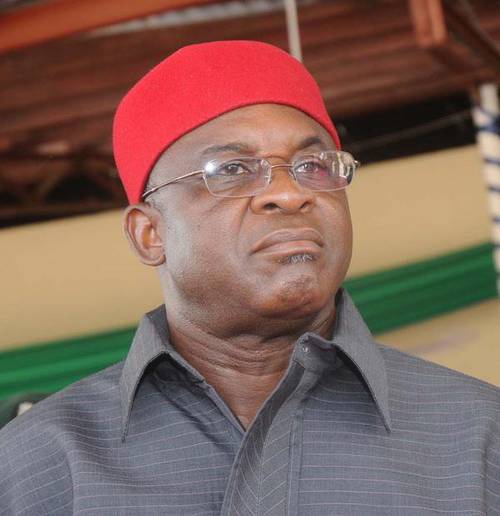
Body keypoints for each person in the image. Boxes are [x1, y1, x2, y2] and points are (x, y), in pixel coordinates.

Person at [0, 40, 498, 516]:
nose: (290, 193)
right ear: (149, 234)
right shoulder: (35, 466)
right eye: (232, 169)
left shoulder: (479, 437)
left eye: (313, 165)